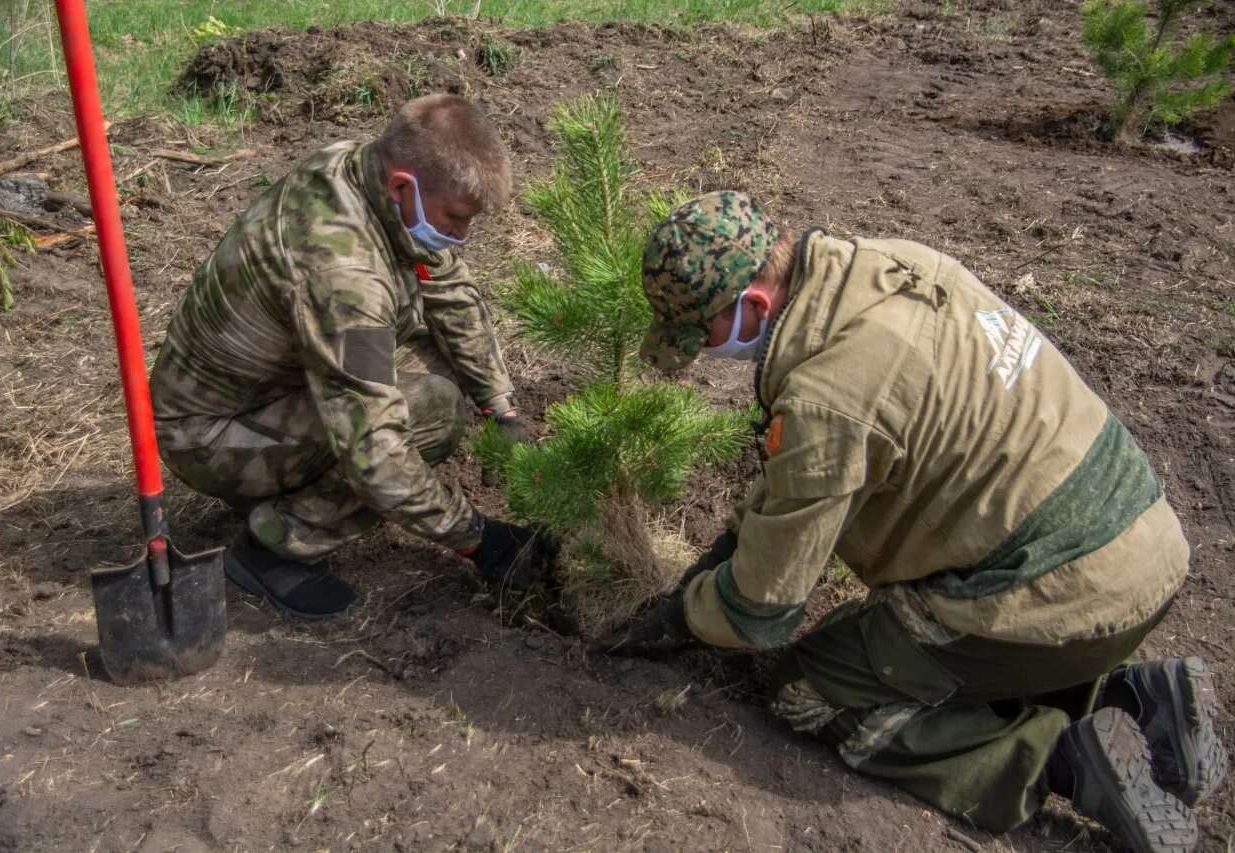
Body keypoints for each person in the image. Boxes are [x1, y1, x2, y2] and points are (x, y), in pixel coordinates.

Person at [616, 191, 1226, 852]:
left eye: (700, 334)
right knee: (975, 630)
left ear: (754, 307)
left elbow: (763, 609)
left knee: (810, 685)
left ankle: (1059, 758)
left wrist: (686, 610)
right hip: (1140, 540)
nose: (701, 353)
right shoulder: (889, 266)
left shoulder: (830, 399)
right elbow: (806, 475)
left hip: (1064, 591)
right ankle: (1142, 697)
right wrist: (733, 540)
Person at [150, 94, 552, 622]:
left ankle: (288, 490)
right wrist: (479, 539)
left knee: (444, 373)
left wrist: (498, 406)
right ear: (403, 187)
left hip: (270, 385)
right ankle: (276, 548)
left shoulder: (359, 167)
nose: (461, 234)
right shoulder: (343, 275)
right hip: (212, 436)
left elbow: (447, 285)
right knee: (433, 410)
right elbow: (374, 450)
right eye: (455, 217)